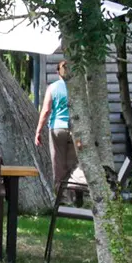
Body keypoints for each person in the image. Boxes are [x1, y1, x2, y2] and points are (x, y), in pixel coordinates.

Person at [35, 59, 76, 190]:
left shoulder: (53, 87)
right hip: (75, 128)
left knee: (58, 163)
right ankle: (76, 195)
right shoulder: (78, 88)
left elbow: (46, 110)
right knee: (74, 163)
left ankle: (61, 195)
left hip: (57, 128)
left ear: (58, 72)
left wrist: (38, 131)